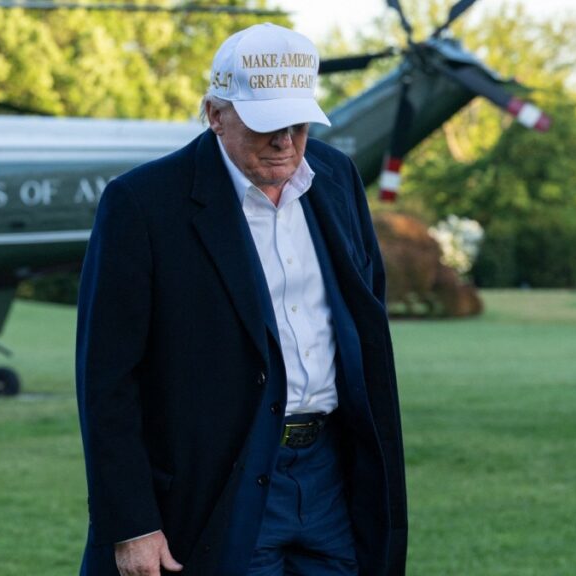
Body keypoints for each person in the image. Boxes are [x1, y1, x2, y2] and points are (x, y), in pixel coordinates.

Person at [76, 22, 406, 576]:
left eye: (298, 123)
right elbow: (107, 380)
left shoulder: (337, 178)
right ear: (215, 114)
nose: (285, 141)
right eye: (266, 124)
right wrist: (132, 522)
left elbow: (365, 320)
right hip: (222, 483)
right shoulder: (142, 204)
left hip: (331, 476)